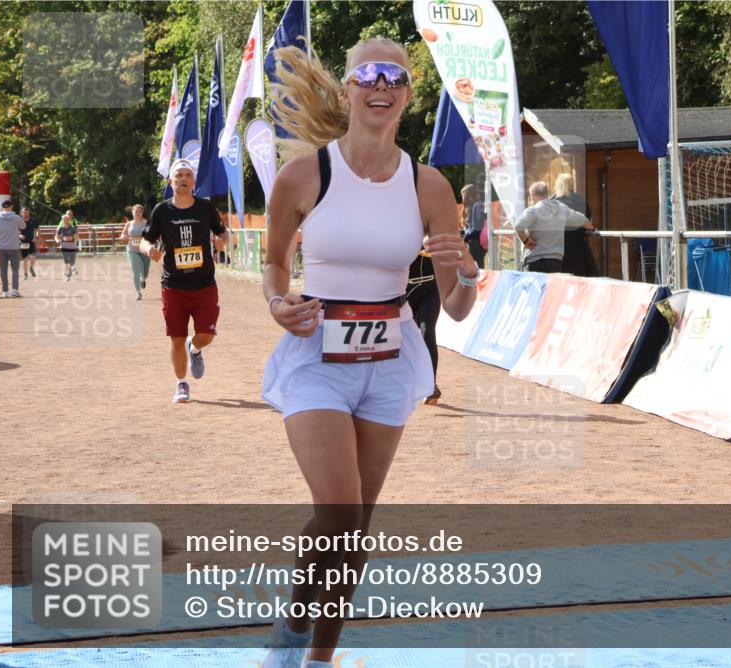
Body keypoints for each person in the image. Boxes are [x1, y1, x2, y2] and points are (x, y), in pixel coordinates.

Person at [259, 38, 478, 668]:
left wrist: (465, 271)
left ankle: (321, 660)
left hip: (389, 360)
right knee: (338, 512)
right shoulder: (304, 175)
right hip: (315, 354)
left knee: (354, 528)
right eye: (368, 75)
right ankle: (285, 649)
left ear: (409, 95)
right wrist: (278, 303)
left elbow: (456, 307)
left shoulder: (430, 186)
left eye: (396, 76)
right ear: (349, 88)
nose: (381, 85)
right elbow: (275, 263)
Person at [143, 159, 228, 403]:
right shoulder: (162, 210)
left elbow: (222, 231)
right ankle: (181, 384)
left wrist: (223, 239)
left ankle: (196, 348)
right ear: (171, 181)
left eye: (187, 175)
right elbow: (144, 240)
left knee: (206, 335)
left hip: (204, 285)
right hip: (174, 286)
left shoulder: (205, 208)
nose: (182, 179)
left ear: (193, 181)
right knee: (176, 337)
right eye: (178, 175)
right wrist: (149, 249)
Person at [514, 181, 594, 274]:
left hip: (535, 261)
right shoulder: (562, 209)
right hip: (555, 262)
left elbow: (518, 226)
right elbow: (584, 221)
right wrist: (593, 228)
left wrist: (526, 241)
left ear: (532, 195)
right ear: (547, 193)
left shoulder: (533, 210)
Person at [406, 249, 442, 404]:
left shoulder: (434, 226)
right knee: (404, 338)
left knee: (427, 331)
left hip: (430, 287)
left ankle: (431, 385)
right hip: (403, 289)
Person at [553, 173, 598, 276]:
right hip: (578, 249)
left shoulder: (553, 201)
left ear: (558, 185)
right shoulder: (580, 200)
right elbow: (588, 221)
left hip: (557, 250)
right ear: (572, 184)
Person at [0, 200, 26, 298]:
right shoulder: (16, 217)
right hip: (14, 247)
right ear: (11, 207)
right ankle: (15, 290)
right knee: (15, 269)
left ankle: (5, 291)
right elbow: (23, 226)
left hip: (1, 247)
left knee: (3, 269)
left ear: (2, 207)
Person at [119, 204, 151, 300]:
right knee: (135, 270)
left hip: (144, 250)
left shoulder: (146, 223)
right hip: (132, 250)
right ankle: (138, 293)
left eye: (140, 211)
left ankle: (143, 279)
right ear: (132, 212)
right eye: (136, 211)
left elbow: (151, 235)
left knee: (145, 272)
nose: (138, 213)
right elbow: (123, 234)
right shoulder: (129, 224)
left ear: (142, 213)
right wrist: (123, 237)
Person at [461, 183, 485, 268]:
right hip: (472, 242)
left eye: (463, 196)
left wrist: (465, 237)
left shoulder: (477, 206)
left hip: (476, 244)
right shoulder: (471, 207)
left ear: (469, 196)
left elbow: (477, 229)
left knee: (477, 268)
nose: (462, 198)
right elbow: (471, 227)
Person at [54, 214, 79, 281]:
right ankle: (68, 275)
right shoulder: (60, 228)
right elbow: (56, 236)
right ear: (62, 220)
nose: (65, 221)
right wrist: (57, 240)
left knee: (72, 261)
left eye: (67, 219)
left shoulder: (73, 228)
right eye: (64, 219)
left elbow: (77, 236)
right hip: (64, 246)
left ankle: (68, 270)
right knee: (67, 261)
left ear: (69, 220)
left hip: (72, 246)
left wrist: (74, 239)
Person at [20, 206, 39, 279]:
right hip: (23, 242)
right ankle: (25, 274)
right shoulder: (19, 221)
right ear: (22, 213)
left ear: (29, 213)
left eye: (27, 212)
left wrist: (36, 237)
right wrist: (20, 235)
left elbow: (38, 230)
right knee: (25, 259)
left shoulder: (33, 221)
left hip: (31, 241)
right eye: (24, 212)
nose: (25, 214)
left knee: (33, 257)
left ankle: (31, 268)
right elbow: (15, 231)